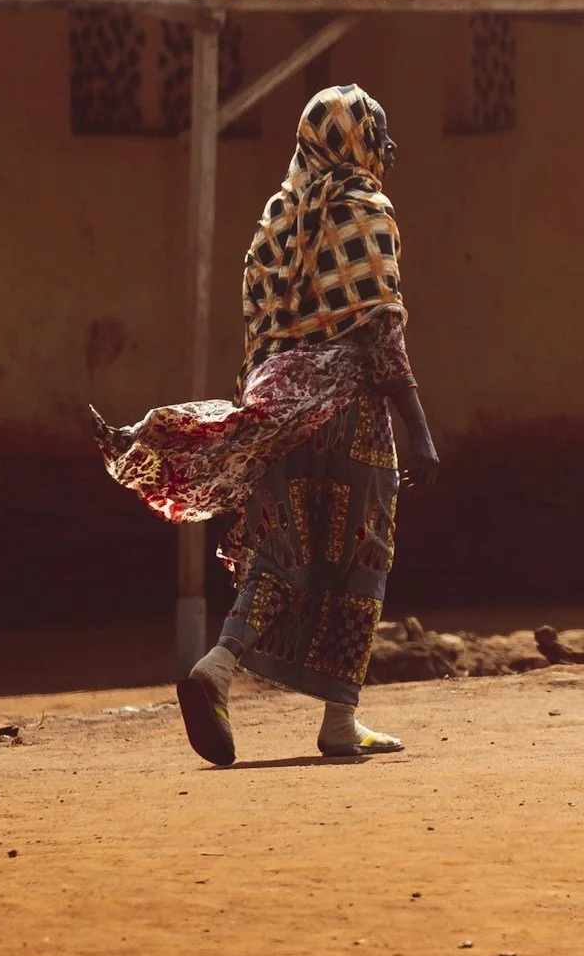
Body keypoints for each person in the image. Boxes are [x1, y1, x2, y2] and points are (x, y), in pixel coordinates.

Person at [93, 85, 438, 766]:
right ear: (356, 140)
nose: (386, 147)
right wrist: (419, 429)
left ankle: (218, 665)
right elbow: (378, 329)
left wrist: (264, 413)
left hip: (280, 407)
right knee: (359, 556)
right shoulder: (363, 205)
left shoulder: (280, 213)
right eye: (378, 132)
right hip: (351, 411)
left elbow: (264, 330)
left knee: (279, 552)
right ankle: (340, 718)